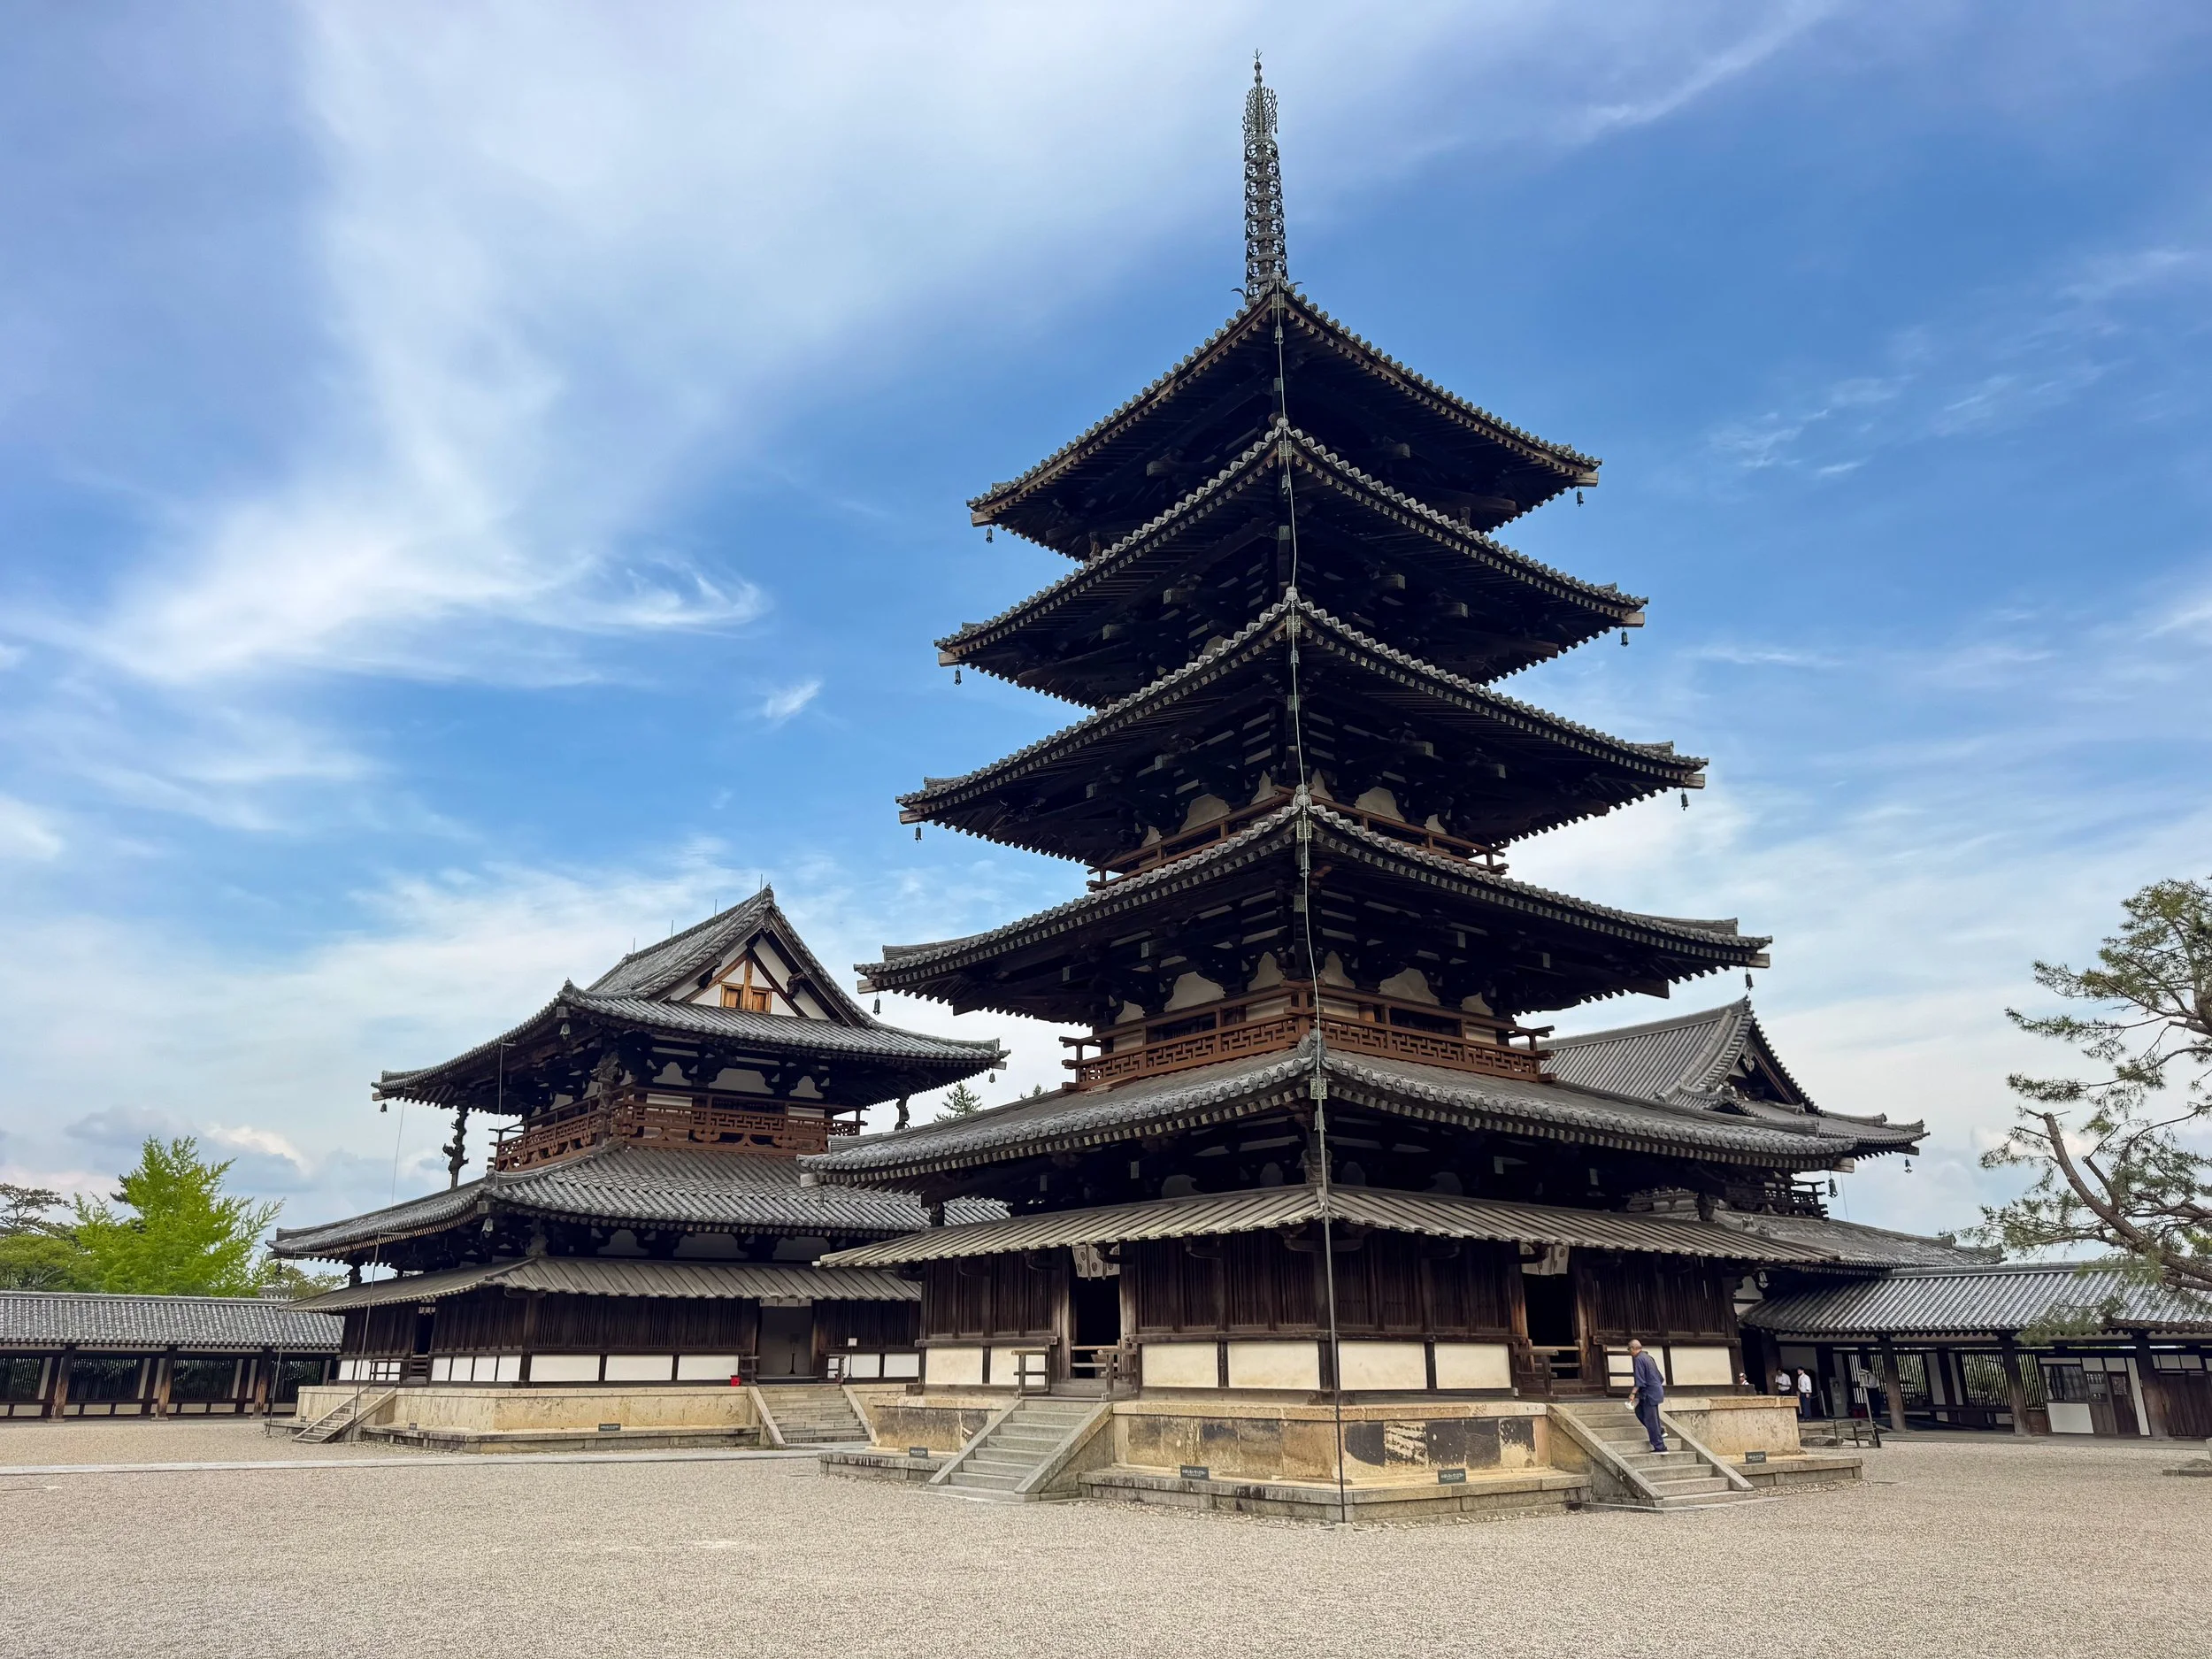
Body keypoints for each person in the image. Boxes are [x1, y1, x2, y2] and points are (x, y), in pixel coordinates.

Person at [1627, 1339, 1667, 1453]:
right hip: (1655, 1390)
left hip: (1650, 1393)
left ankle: (1660, 1447)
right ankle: (1660, 1431)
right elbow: (1659, 1376)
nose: (1629, 1352)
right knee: (1640, 1411)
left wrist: (1633, 1393)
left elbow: (1640, 1380)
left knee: (1651, 1420)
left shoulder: (1639, 1359)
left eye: (1629, 1349)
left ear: (1633, 1348)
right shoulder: (1648, 1357)